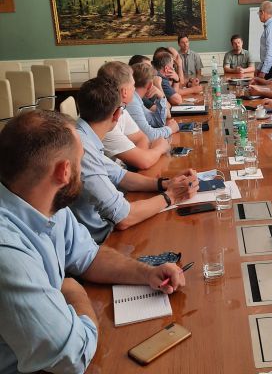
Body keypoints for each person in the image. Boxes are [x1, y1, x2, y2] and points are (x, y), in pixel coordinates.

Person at [0, 110, 186, 373]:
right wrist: (73, 292)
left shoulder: (44, 200)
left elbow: (89, 256)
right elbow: (72, 355)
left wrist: (146, 273)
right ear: (64, 171)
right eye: (81, 161)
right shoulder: (7, 252)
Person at [71, 77, 197, 243]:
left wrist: (166, 183)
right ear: (117, 114)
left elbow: (120, 176)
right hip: (100, 240)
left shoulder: (82, 134)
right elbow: (123, 217)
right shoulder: (82, 147)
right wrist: (171, 196)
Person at [98, 61, 170, 169]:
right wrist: (160, 148)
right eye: (133, 85)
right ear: (124, 92)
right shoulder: (104, 120)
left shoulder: (121, 109)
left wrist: (141, 156)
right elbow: (144, 161)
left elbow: (142, 138)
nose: (134, 89)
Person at [127, 62, 180, 141]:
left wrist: (161, 98)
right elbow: (149, 136)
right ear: (150, 85)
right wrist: (170, 129)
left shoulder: (136, 99)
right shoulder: (132, 102)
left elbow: (157, 122)